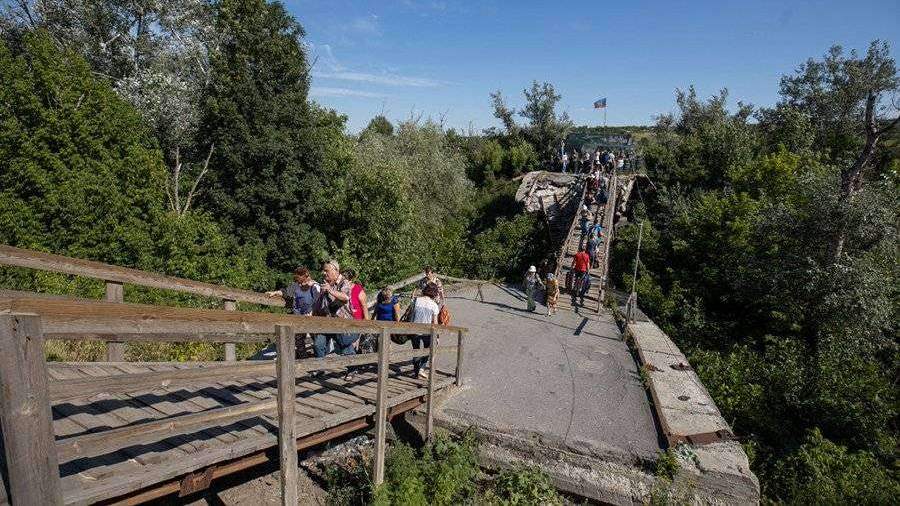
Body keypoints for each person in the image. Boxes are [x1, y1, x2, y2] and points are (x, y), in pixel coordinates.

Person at [311, 260, 359, 377]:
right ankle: (320, 368)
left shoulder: (344, 283)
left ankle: (352, 369)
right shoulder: (326, 284)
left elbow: (345, 297)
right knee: (318, 344)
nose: (324, 273)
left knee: (344, 346)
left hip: (342, 324)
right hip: (327, 322)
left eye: (326, 270)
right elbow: (320, 305)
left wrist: (330, 290)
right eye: (323, 270)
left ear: (335, 271)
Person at [410, 283, 441, 379]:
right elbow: (435, 324)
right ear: (434, 293)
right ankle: (421, 369)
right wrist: (437, 336)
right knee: (428, 349)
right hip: (426, 331)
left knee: (416, 350)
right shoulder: (434, 305)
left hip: (414, 329)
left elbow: (412, 313)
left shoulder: (416, 300)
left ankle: (416, 373)